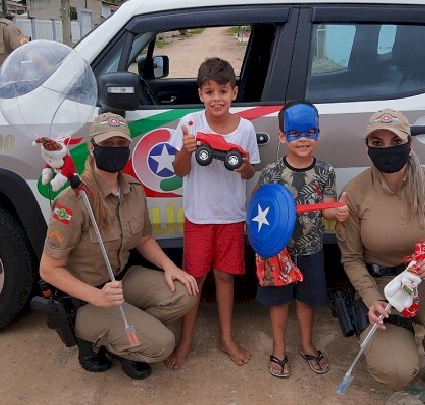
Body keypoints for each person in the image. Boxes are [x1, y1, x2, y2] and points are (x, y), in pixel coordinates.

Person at [39, 112, 199, 380]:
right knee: (163, 344)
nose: (114, 150)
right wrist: (97, 297)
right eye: (107, 144)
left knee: (187, 293)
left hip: (121, 281)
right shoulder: (73, 200)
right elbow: (49, 269)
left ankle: (129, 339)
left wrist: (170, 266)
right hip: (87, 298)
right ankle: (92, 340)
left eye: (120, 144)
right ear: (92, 147)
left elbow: (144, 237)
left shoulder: (133, 188)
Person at [336, 108, 425, 405]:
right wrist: (372, 299)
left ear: (409, 144)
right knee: (396, 372)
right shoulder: (355, 193)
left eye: (394, 141)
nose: (387, 150)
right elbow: (351, 258)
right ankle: (402, 332)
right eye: (378, 143)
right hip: (383, 287)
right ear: (367, 148)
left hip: (423, 279)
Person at [166, 57, 260, 369]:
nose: (216, 98)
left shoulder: (245, 127)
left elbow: (248, 173)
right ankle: (186, 341)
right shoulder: (189, 124)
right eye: (209, 92)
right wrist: (186, 150)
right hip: (199, 217)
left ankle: (227, 338)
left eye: (222, 91)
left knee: (225, 276)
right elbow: (180, 170)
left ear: (234, 92)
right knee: (194, 279)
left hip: (231, 217)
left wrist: (242, 163)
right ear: (200, 95)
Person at [253, 101, 349, 378]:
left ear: (318, 133)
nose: (303, 138)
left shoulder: (326, 171)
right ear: (282, 136)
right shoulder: (271, 172)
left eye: (310, 131)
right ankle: (279, 348)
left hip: (311, 248)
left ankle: (307, 344)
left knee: (307, 300)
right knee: (279, 301)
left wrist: (338, 212)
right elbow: (260, 207)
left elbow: (328, 208)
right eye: (295, 133)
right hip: (277, 251)